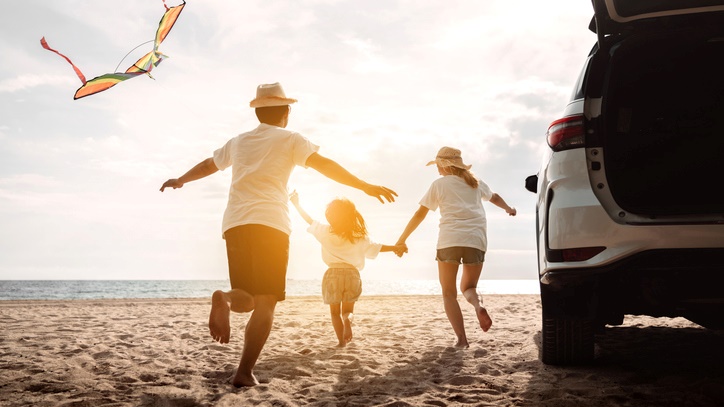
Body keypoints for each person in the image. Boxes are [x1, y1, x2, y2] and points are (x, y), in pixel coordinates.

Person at [159, 82, 396, 387]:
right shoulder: (291, 139)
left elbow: (209, 165)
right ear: (286, 112)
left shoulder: (239, 141)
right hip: (271, 224)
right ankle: (244, 372)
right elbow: (324, 166)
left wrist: (181, 180)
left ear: (258, 112)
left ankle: (226, 300)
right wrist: (364, 185)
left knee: (246, 298)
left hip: (235, 223)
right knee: (266, 301)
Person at [395, 146, 516, 348]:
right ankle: (479, 305)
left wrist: (402, 239)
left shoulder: (439, 185)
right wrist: (509, 209)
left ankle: (462, 339)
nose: (437, 170)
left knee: (449, 293)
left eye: (438, 166)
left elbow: (420, 214)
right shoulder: (476, 183)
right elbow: (494, 197)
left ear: (444, 165)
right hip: (475, 241)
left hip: (449, 241)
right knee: (469, 288)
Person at [289, 190, 405, 347]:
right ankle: (347, 320)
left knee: (334, 312)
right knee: (347, 311)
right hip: (352, 274)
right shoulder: (359, 236)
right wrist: (395, 247)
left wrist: (296, 203)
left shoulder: (325, 231)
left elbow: (309, 220)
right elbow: (376, 247)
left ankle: (341, 342)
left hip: (332, 274)